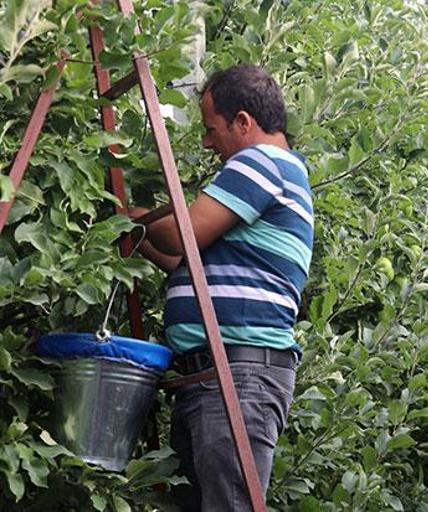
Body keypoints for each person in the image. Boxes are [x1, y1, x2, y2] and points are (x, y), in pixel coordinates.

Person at [128, 64, 313, 510]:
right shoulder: (280, 172)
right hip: (216, 373)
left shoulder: (262, 162)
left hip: (237, 373)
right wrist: (136, 242)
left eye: (212, 130)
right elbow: (182, 259)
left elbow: (181, 234)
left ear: (244, 122)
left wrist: (133, 217)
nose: (209, 143)